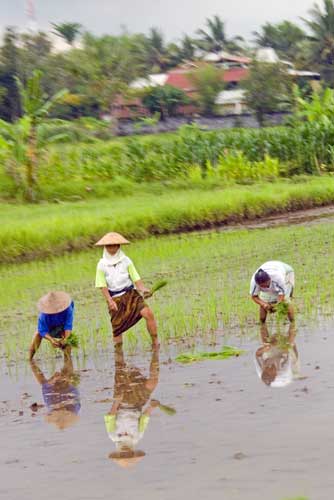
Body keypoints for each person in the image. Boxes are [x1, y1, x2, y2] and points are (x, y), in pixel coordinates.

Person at [95, 232, 158, 347]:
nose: (112, 248)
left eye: (114, 245)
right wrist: (110, 301)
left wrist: (143, 290)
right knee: (117, 329)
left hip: (131, 294)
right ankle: (119, 355)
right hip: (115, 298)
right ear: (105, 247)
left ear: (119, 246)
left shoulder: (126, 261)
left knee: (148, 313)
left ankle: (155, 342)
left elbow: (136, 278)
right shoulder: (101, 265)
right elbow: (102, 286)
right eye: (109, 246)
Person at [104, 344, 160, 468]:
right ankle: (156, 352)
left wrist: (117, 400)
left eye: (122, 455)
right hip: (138, 403)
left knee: (122, 371)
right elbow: (144, 418)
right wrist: (152, 407)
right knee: (153, 382)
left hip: (122, 403)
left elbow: (110, 416)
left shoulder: (113, 436)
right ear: (133, 451)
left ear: (118, 453)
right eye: (128, 454)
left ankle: (118, 348)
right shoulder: (137, 437)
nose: (125, 453)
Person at [30, 351, 81, 430]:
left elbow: (40, 376)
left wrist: (32, 363)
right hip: (66, 394)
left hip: (64, 395)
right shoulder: (50, 388)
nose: (57, 375)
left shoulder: (48, 388)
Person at [29, 291, 74, 360]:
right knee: (37, 334)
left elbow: (68, 326)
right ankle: (30, 359)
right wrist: (51, 340)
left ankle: (67, 361)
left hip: (62, 325)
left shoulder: (67, 309)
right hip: (49, 327)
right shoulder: (44, 315)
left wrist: (65, 339)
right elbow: (42, 330)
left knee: (68, 338)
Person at [255, 323, 300, 388]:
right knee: (289, 344)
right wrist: (284, 344)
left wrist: (266, 348)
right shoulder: (284, 370)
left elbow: (258, 354)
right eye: (270, 368)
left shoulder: (261, 369)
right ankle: (292, 322)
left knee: (266, 344)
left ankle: (263, 322)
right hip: (290, 366)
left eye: (267, 367)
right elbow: (287, 351)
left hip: (277, 361)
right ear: (275, 373)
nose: (269, 366)